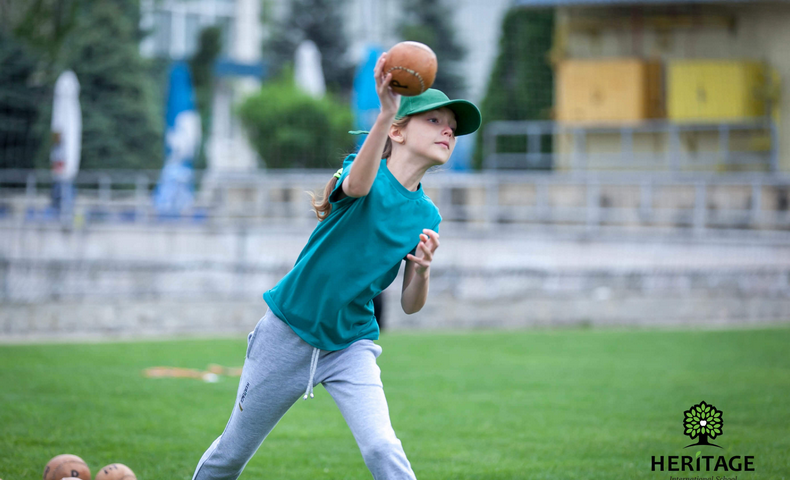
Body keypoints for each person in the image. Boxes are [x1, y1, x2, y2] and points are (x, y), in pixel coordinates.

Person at [191, 52, 481, 480]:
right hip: (287, 331)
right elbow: (358, 185)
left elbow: (411, 305)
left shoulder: (427, 216)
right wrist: (385, 113)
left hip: (350, 345)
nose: (448, 133)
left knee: (384, 447)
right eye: (435, 122)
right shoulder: (363, 170)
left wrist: (421, 271)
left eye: (452, 130)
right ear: (398, 132)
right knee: (230, 455)